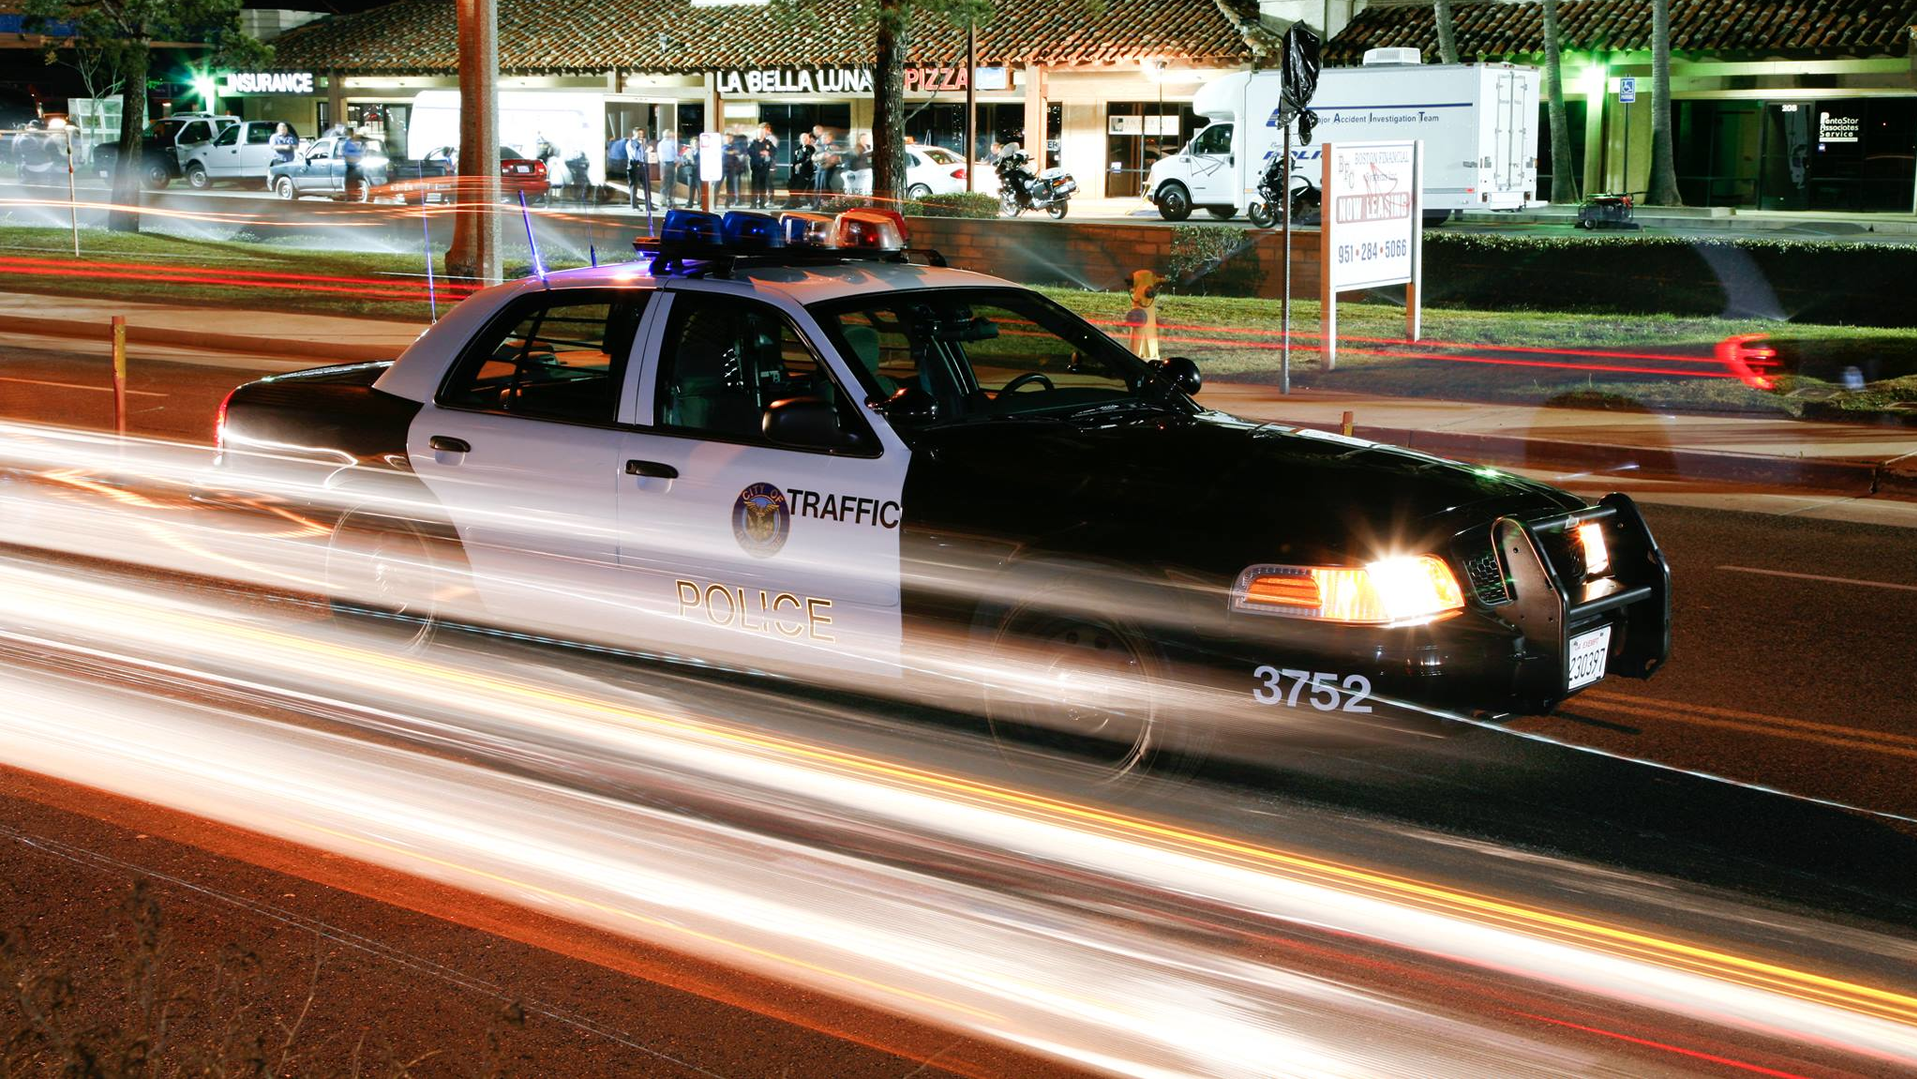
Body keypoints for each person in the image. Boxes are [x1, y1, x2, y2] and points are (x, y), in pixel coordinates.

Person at [747, 123, 776, 209]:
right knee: (754, 186)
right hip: (756, 167)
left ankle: (762, 203)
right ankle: (753, 203)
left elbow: (774, 151)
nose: (760, 135)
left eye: (762, 133)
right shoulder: (753, 143)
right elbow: (750, 152)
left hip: (765, 167)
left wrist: (768, 153)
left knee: (763, 186)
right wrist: (760, 153)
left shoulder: (768, 143)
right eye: (759, 133)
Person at [787, 130, 816, 209]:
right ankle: (796, 203)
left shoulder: (810, 148)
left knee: (798, 187)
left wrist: (801, 164)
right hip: (797, 173)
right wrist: (794, 169)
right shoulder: (799, 148)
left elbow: (810, 159)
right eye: (803, 138)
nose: (805, 139)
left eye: (806, 138)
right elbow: (795, 160)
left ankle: (789, 204)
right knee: (790, 185)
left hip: (805, 172)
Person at [622, 126, 649, 210]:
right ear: (635, 133)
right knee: (634, 186)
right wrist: (641, 145)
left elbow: (644, 153)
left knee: (646, 185)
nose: (641, 135)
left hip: (642, 164)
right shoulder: (631, 143)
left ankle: (649, 205)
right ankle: (634, 206)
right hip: (634, 164)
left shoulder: (642, 142)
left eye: (642, 133)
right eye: (639, 133)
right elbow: (635, 154)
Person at [655, 127, 680, 208]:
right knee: (666, 183)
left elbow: (676, 153)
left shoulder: (673, 143)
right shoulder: (661, 144)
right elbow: (661, 157)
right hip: (666, 164)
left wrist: (678, 160)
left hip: (672, 164)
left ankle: (671, 199)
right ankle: (664, 199)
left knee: (673, 183)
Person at [339, 128, 366, 201]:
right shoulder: (348, 143)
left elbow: (362, 153)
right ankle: (351, 196)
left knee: (354, 182)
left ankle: (353, 196)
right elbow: (345, 154)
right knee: (350, 182)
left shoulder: (357, 143)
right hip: (351, 166)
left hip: (356, 166)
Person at [722, 132, 747, 208]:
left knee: (731, 186)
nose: (728, 139)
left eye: (729, 138)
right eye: (726, 138)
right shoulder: (722, 147)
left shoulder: (736, 147)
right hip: (722, 169)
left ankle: (730, 201)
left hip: (733, 169)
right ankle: (715, 202)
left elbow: (741, 155)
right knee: (717, 185)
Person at [844, 132, 872, 197]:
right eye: (863, 138)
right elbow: (858, 157)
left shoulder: (868, 146)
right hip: (859, 168)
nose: (865, 140)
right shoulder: (857, 147)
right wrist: (867, 154)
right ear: (860, 139)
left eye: (866, 138)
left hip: (867, 167)